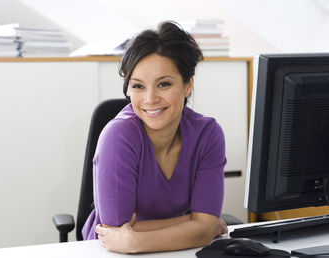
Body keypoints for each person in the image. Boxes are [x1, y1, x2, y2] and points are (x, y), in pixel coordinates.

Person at [82, 21, 228, 253]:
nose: (150, 99)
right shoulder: (118, 136)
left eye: (163, 84)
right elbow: (114, 232)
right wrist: (196, 225)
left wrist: (135, 240)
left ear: (187, 85)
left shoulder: (207, 134)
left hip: (177, 250)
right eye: (138, 86)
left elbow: (204, 228)